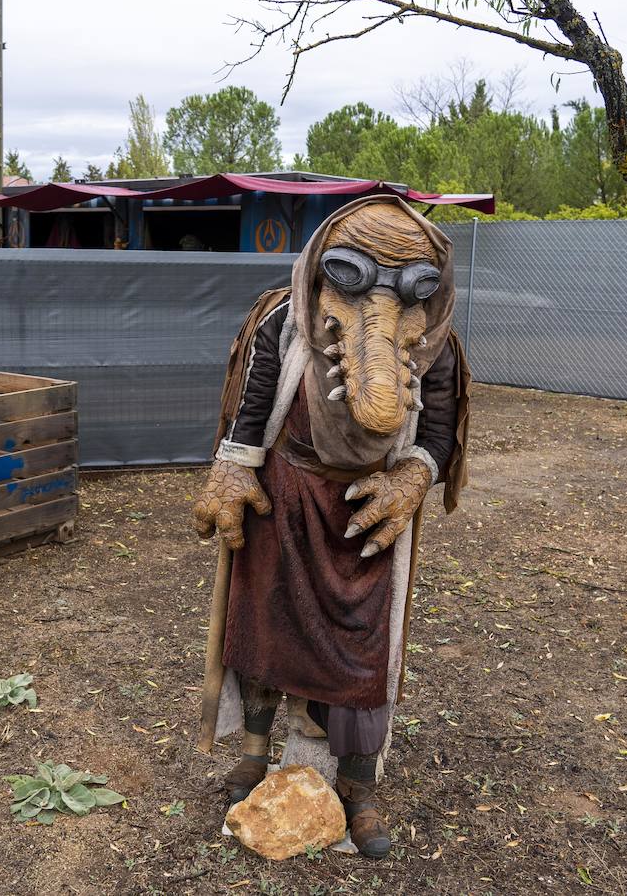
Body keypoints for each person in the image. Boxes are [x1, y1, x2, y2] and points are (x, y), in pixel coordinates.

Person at [193, 195, 470, 859]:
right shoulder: (284, 321)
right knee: (263, 628)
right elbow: (251, 405)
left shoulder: (437, 347)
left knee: (361, 655)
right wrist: (233, 471)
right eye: (353, 274)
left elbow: (438, 435)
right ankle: (253, 760)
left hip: (365, 514)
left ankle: (358, 786)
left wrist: (411, 479)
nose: (381, 301)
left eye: (410, 287)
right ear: (320, 268)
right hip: (284, 495)